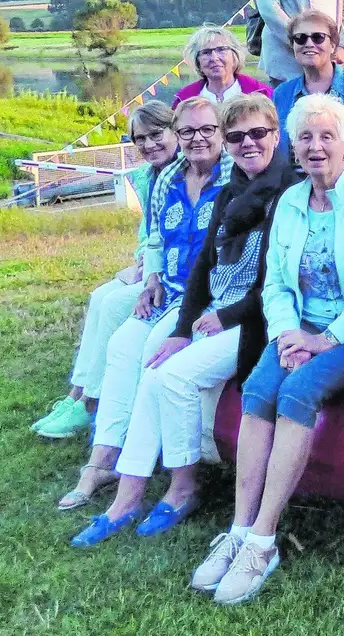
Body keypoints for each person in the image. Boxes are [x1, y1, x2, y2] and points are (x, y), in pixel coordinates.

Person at [190, 95, 344, 604]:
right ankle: (237, 528)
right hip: (297, 328)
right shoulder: (291, 201)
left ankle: (263, 539)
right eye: (305, 137)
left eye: (327, 136)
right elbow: (276, 282)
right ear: (294, 147)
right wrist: (286, 334)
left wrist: (326, 339)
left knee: (298, 392)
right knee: (258, 388)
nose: (316, 146)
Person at [72, 94, 300, 546]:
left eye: (257, 134)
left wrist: (224, 317)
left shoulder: (290, 191)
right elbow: (202, 269)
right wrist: (181, 329)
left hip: (257, 322)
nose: (247, 143)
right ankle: (128, 491)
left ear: (276, 135)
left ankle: (182, 487)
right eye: (236, 137)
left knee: (172, 378)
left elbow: (281, 281)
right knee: (155, 369)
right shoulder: (231, 189)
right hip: (218, 311)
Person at [57, 97, 233, 513]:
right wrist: (150, 277)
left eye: (207, 130)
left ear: (221, 132)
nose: (197, 139)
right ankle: (102, 460)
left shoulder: (232, 176)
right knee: (121, 346)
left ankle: (148, 466)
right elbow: (153, 238)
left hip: (208, 296)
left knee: (152, 351)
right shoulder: (166, 178)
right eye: (188, 131)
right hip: (167, 288)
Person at [32, 102, 179, 439]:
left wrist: (151, 268)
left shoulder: (188, 173)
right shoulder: (147, 177)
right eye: (140, 139)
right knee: (100, 295)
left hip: (175, 275)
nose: (149, 145)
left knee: (114, 305)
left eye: (157, 134)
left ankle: (91, 403)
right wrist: (142, 260)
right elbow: (148, 233)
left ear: (175, 132)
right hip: (153, 266)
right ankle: (76, 394)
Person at [270, 9, 344, 148]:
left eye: (318, 37)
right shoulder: (282, 94)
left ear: (333, 45)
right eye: (300, 38)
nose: (309, 44)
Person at [174, 26, 275, 107]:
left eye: (221, 50)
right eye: (206, 52)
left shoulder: (262, 93)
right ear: (198, 61)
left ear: (234, 55)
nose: (214, 58)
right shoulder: (184, 99)